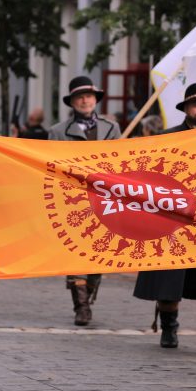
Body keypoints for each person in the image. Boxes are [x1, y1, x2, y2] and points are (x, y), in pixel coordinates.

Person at [133, 83, 196, 355]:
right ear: (186, 108)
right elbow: (149, 175)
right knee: (170, 276)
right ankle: (168, 328)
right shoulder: (167, 138)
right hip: (172, 219)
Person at [48, 76, 121, 326]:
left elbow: (122, 165)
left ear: (95, 100)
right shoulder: (57, 132)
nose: (85, 100)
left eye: (88, 96)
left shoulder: (112, 129)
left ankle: (88, 295)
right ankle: (81, 306)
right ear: (72, 102)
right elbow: (50, 169)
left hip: (104, 201)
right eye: (79, 97)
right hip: (73, 202)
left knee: (99, 253)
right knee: (76, 254)